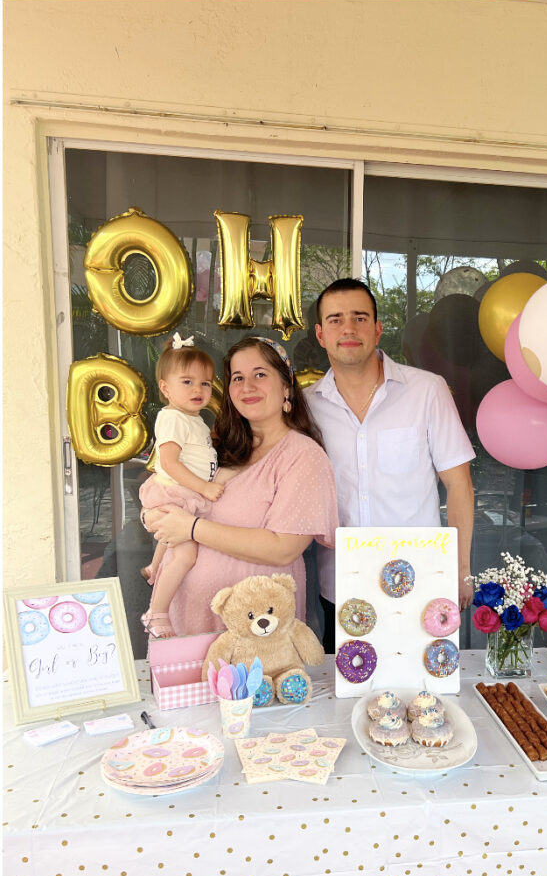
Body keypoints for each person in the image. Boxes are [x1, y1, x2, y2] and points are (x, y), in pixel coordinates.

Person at [306, 278, 475, 652]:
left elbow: (459, 484)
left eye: (359, 317)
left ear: (378, 329)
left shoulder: (427, 391)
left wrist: (460, 570)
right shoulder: (307, 407)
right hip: (342, 585)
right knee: (347, 699)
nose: (348, 328)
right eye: (335, 320)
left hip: (422, 582)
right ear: (320, 334)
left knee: (426, 697)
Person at [143, 335, 338, 637]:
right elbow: (170, 488)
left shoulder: (303, 456)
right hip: (185, 625)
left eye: (260, 374)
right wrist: (153, 516)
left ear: (286, 386)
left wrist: (192, 528)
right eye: (238, 377)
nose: (247, 386)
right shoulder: (217, 445)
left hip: (256, 635)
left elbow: (283, 549)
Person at [139, 333, 224, 638]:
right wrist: (204, 487)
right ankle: (156, 613)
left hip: (181, 493)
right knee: (186, 555)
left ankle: (153, 566)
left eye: (205, 383)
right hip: (176, 491)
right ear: (165, 387)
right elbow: (171, 463)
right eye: (187, 382)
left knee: (174, 539)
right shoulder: (173, 417)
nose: (198, 389)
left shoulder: (194, 419)